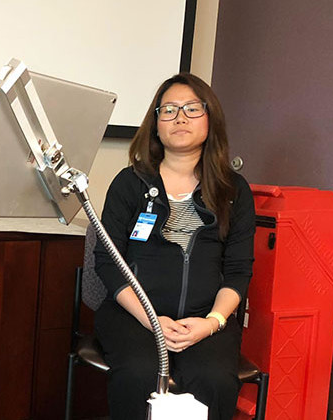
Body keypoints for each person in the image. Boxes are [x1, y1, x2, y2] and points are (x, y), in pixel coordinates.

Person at [93, 73, 255, 420]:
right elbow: (107, 261)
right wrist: (151, 320)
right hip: (133, 318)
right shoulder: (130, 183)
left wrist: (212, 322)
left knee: (212, 379)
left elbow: (239, 271)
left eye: (192, 109)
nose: (179, 117)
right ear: (155, 124)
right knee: (139, 374)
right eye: (168, 110)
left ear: (211, 119)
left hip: (206, 320)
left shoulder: (234, 190)